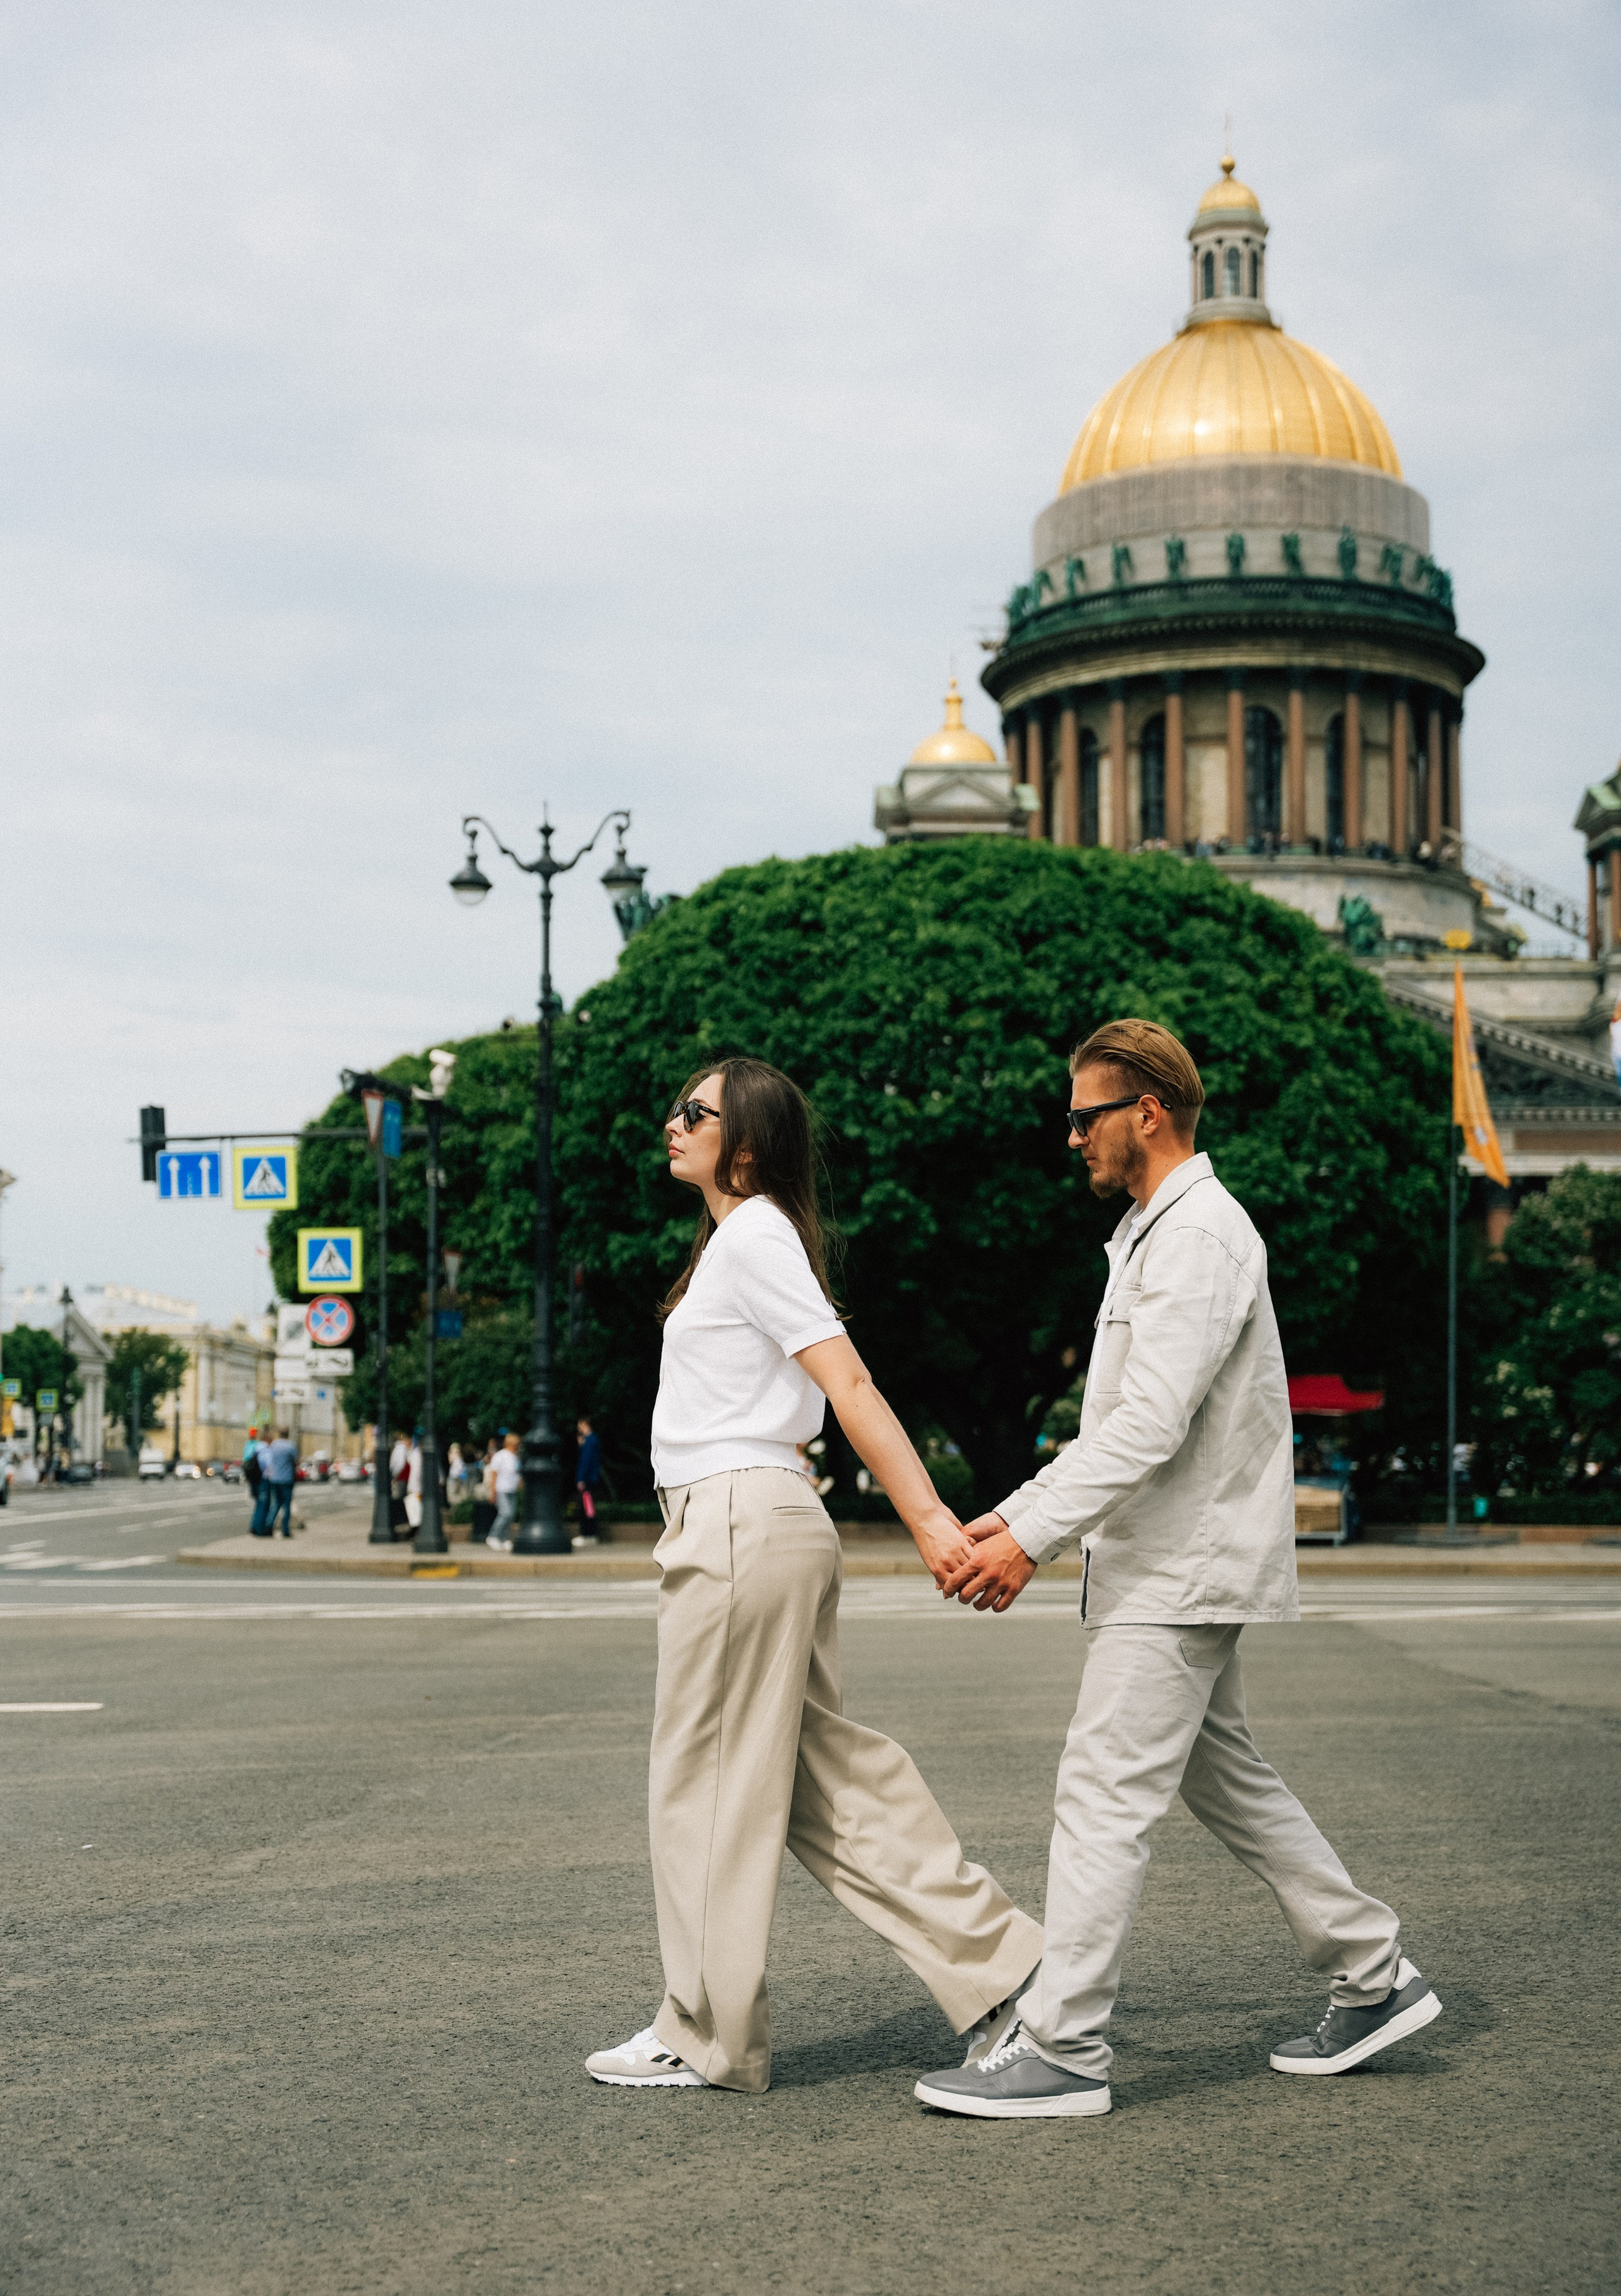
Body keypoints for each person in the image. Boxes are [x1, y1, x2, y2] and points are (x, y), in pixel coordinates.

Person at [913, 1019, 1441, 2122]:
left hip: (1181, 1568)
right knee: (1226, 1780)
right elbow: (1120, 1426)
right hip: (1168, 1560)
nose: (1071, 1140)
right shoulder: (1160, 1232)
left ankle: (1064, 2047)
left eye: (1083, 1116)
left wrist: (1024, 1538)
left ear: (1145, 1111)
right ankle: (1373, 1971)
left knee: (1102, 1791)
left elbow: (1146, 1427)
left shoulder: (1198, 1236)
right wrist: (1006, 1518)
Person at [586, 1057, 1042, 2095]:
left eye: (694, 1112)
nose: (672, 1121)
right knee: (821, 1787)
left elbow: (845, 1379)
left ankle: (703, 2030)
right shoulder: (741, 1242)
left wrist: (929, 1517)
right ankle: (1011, 1972)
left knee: (701, 1783)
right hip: (757, 1519)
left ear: (745, 1147)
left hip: (739, 1522)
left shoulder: (752, 1235)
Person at [260, 1427, 298, 1541]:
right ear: (288, 1434)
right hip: (286, 1479)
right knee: (286, 1506)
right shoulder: (290, 1446)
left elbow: (269, 1460)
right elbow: (295, 1462)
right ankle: (285, 1530)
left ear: (279, 1434)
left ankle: (269, 1526)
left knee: (275, 1504)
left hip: (274, 1478)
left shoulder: (274, 1445)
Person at [488, 1431, 520, 1550]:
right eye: (515, 1444)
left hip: (512, 1490)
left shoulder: (515, 1457)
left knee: (510, 1516)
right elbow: (494, 1474)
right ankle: (493, 1536)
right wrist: (492, 1492)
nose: (517, 1446)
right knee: (504, 1514)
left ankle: (504, 1539)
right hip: (501, 1489)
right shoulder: (500, 1455)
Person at [574, 1416, 602, 1539]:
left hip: (587, 1479)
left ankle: (587, 1534)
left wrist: (581, 1479)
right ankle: (590, 1534)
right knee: (589, 1506)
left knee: (586, 1507)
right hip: (591, 1478)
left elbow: (586, 1461)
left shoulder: (589, 1441)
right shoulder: (593, 1440)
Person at [243, 1428, 268, 1535]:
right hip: (261, 1479)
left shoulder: (248, 1445)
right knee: (262, 1504)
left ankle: (255, 1525)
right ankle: (258, 1527)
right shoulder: (261, 1446)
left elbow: (246, 1461)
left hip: (252, 1478)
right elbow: (265, 1464)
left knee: (258, 1503)